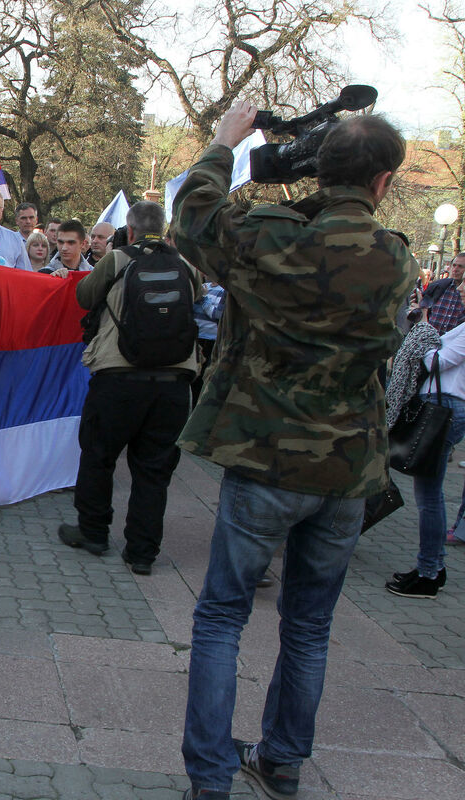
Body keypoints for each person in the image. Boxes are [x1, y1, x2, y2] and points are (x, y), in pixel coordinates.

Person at [172, 104, 413, 800]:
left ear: (319, 171)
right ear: (384, 182)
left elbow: (194, 215)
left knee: (223, 617)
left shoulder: (269, 238)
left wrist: (226, 142)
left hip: (266, 458)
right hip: (347, 470)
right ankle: (281, 762)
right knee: (309, 626)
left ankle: (211, 779)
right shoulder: (395, 257)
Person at [58, 200, 198, 576]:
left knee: (99, 456)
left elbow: (84, 296)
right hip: (174, 383)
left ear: (130, 230)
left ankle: (93, 532)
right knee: (154, 469)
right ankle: (141, 552)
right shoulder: (184, 266)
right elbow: (197, 298)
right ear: (163, 229)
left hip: (119, 377)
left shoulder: (118, 259)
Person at [385, 314, 463, 599]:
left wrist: (423, 335)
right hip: (444, 406)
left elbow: (436, 362)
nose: (462, 292)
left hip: (444, 409)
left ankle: (429, 572)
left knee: (429, 497)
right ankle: (433, 567)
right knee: (429, 494)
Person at [414, 251, 465, 335]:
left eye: (460, 266)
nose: (455, 269)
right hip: (429, 338)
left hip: (454, 341)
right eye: (454, 265)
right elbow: (423, 309)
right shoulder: (438, 286)